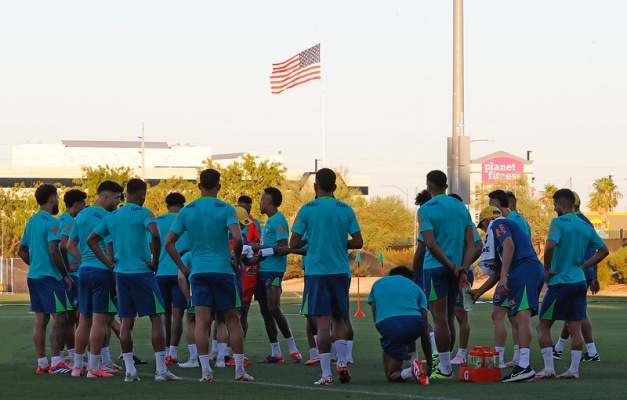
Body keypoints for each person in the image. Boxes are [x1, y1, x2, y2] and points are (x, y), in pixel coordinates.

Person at [164, 169, 253, 383]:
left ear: (198, 185)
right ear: (219, 186)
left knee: (202, 321)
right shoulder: (227, 209)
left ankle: (205, 371)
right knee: (232, 320)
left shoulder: (187, 211)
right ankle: (239, 370)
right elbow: (238, 239)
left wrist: (183, 268)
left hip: (199, 271)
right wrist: (237, 260)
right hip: (222, 270)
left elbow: (169, 243)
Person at [88, 178, 180, 382]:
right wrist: (155, 261)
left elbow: (91, 240)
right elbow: (155, 235)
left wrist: (109, 263)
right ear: (142, 195)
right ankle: (161, 370)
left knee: (127, 322)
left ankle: (130, 371)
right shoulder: (145, 213)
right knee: (157, 317)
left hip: (121, 274)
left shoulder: (113, 215)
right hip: (142, 272)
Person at [290, 168, 363, 386]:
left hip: (317, 272)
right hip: (340, 271)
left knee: (322, 324)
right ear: (335, 187)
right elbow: (358, 242)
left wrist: (312, 241)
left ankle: (326, 374)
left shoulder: (307, 209)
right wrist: (340, 243)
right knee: (339, 318)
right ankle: (341, 362)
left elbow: (293, 244)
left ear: (315, 186)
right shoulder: (345, 208)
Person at [536, 189, 609, 380]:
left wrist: (547, 268)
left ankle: (549, 369)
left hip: (561, 281)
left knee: (543, 325)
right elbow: (604, 250)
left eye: (555, 205)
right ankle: (573, 370)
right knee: (575, 327)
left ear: (562, 205)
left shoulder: (558, 222)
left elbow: (550, 246)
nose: (554, 209)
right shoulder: (585, 226)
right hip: (578, 280)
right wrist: (584, 266)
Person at [474, 206, 545, 382]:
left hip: (524, 270)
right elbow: (498, 271)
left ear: (485, 221)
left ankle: (524, 366)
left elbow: (509, 245)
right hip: (522, 271)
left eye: (482, 228)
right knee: (517, 317)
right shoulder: (502, 226)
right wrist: (479, 292)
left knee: (522, 317)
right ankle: (522, 364)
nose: (484, 232)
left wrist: (505, 275)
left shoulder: (498, 224)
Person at [417, 170, 475, 380]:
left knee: (439, 318)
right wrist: (462, 267)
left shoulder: (425, 209)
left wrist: (451, 266)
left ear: (429, 186)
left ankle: (445, 368)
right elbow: (473, 243)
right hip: (458, 268)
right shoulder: (460, 206)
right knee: (450, 316)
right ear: (447, 185)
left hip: (436, 268)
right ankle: (446, 363)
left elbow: (429, 245)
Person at [67, 181, 123, 377]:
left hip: (85, 272)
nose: (118, 201)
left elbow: (70, 245)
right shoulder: (108, 217)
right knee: (99, 321)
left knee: (83, 320)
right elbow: (110, 248)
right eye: (116, 197)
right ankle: (93, 368)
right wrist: (113, 273)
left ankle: (77, 366)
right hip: (101, 272)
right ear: (105, 196)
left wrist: (84, 261)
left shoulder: (82, 214)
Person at [18, 183, 74, 374]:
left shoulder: (31, 221)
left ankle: (42, 363)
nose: (58, 200)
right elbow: (54, 250)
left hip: (34, 277)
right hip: (49, 278)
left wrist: (35, 264)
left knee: (41, 321)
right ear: (52, 198)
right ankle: (57, 362)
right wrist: (65, 275)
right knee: (61, 317)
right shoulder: (52, 222)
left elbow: (21, 250)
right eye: (57, 197)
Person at [252, 187, 302, 364]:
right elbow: (268, 248)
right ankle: (276, 352)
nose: (259, 202)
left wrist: (259, 249)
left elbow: (282, 248)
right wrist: (254, 257)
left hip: (274, 271)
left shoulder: (279, 221)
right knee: (265, 311)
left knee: (274, 308)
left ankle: (294, 350)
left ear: (269, 202)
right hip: (263, 269)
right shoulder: (269, 222)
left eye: (262, 199)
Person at [553, 192, 601, 362]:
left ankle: (591, 351)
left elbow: (597, 250)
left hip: (574, 272)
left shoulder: (570, 221)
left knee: (577, 313)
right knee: (574, 312)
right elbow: (598, 249)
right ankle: (559, 349)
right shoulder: (585, 222)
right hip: (582, 271)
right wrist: (594, 275)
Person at [487, 189, 530, 367]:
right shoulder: (521, 220)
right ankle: (518, 357)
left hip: (513, 273)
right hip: (515, 271)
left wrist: (503, 274)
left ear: (497, 205)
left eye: (490, 205)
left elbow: (510, 246)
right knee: (513, 317)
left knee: (501, 314)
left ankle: (502, 358)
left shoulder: (505, 222)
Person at [368, 266, 432, 384]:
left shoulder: (378, 283)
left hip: (391, 325)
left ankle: (411, 371)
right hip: (415, 323)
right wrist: (429, 363)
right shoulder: (416, 287)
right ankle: (416, 363)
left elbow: (374, 308)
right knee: (389, 371)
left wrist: (383, 331)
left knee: (392, 375)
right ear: (409, 278)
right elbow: (425, 333)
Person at [155, 192, 189, 366]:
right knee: (178, 315)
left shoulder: (158, 221)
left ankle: (165, 351)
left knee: (163, 316)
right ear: (182, 205)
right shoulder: (186, 219)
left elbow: (151, 246)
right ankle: (173, 354)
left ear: (166, 205)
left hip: (160, 273)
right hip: (180, 273)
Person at [58, 189, 87, 366]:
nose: (84, 207)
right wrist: (69, 265)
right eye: (83, 204)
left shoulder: (60, 218)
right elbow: (63, 244)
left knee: (67, 318)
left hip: (63, 275)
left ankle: (67, 356)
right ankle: (70, 357)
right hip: (71, 275)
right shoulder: (69, 221)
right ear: (76, 204)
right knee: (71, 318)